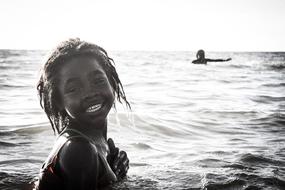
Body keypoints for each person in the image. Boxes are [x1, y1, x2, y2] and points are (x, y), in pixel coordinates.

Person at [34, 38, 130, 190]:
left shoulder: (95, 142)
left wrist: (116, 176)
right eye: (73, 89)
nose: (90, 93)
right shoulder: (79, 150)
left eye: (98, 81)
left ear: (112, 83)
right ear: (58, 101)